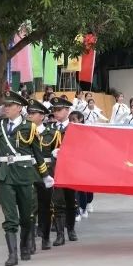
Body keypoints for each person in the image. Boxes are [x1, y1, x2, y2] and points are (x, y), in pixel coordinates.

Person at [0, 90, 53, 266]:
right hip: (5, 175)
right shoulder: (0, 125)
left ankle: (25, 245)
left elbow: (37, 154)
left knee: (26, 217)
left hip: (25, 175)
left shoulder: (29, 127)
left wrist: (45, 175)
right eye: (5, 105)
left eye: (9, 106)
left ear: (19, 108)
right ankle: (12, 254)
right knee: (10, 217)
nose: (6, 108)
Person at [26, 99, 55, 251]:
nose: (29, 115)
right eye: (28, 113)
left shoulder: (52, 133)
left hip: (46, 173)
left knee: (45, 206)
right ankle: (30, 240)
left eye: (33, 113)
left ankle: (45, 237)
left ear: (42, 116)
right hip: (28, 171)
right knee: (30, 206)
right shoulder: (23, 130)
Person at [50, 97, 79, 245]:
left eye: (58, 110)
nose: (55, 113)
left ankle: (71, 229)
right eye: (54, 110)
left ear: (67, 111)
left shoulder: (75, 128)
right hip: (55, 169)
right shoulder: (50, 128)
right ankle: (60, 234)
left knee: (71, 201)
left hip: (70, 169)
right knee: (58, 201)